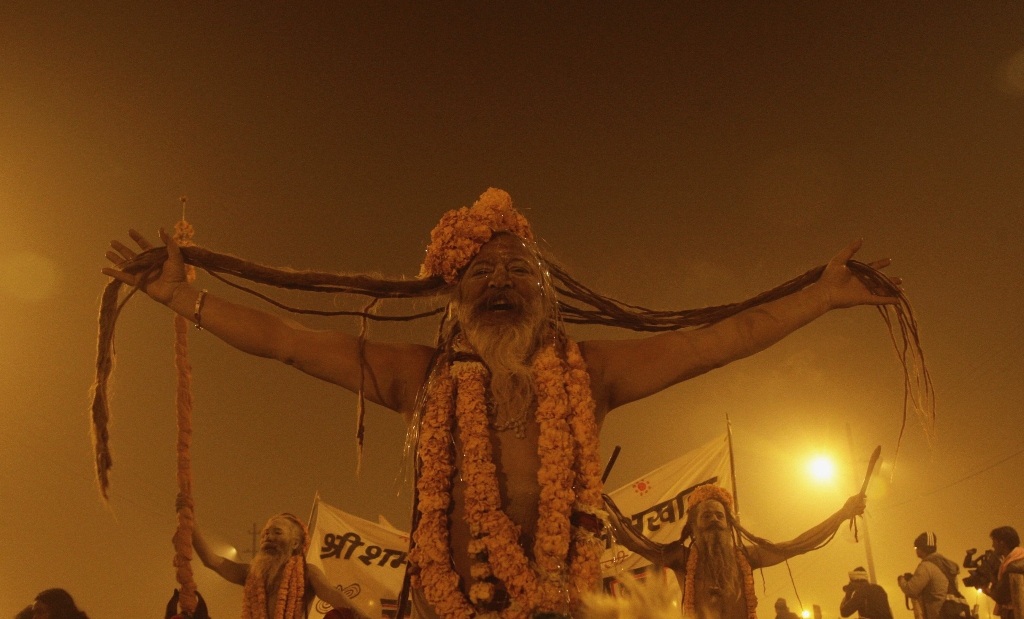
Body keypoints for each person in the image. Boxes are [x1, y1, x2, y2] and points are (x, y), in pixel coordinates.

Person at [103, 189, 903, 618]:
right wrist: (186, 300)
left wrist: (823, 297)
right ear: (450, 297)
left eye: (518, 271)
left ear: (550, 299)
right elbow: (284, 338)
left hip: (566, 606)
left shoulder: (592, 372)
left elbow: (715, 340)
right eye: (479, 273)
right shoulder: (418, 377)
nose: (499, 282)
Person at [604, 483, 865, 619]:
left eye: (720, 515)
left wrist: (842, 514)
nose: (715, 520)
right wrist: (602, 508)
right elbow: (635, 541)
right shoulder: (681, 559)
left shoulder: (748, 557)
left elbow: (796, 545)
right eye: (707, 516)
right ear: (693, 526)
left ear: (729, 524)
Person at [190, 511, 356, 619]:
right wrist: (189, 520)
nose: (269, 537)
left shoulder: (308, 572)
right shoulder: (251, 573)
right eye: (266, 534)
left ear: (295, 543)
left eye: (277, 533)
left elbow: (335, 596)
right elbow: (212, 561)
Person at [898, 532, 965, 619]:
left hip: (937, 613)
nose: (915, 550)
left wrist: (901, 580)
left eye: (916, 547)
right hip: (952, 611)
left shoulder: (926, 566)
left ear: (922, 548)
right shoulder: (948, 565)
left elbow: (911, 590)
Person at [984, 526, 1024, 619]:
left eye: (994, 542)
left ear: (1002, 543)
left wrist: (987, 590)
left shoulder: (1013, 567)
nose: (992, 546)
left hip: (1015, 613)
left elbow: (1001, 596)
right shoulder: (1019, 560)